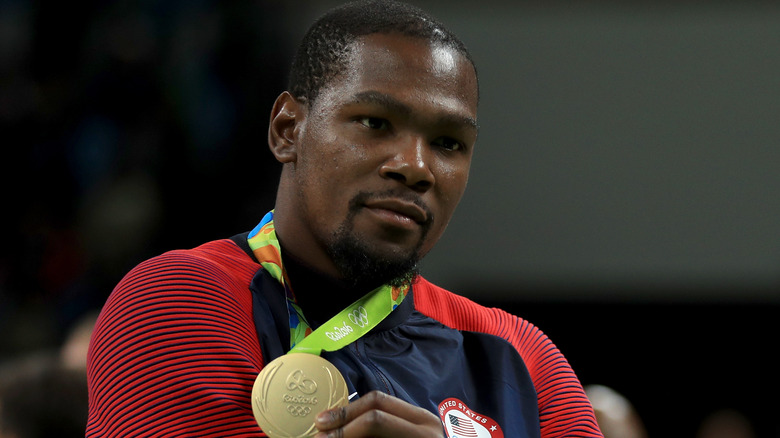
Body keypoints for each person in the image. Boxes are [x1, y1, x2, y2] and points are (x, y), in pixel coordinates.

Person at [86, 1, 603, 437]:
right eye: (375, 123)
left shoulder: (523, 361)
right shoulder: (177, 300)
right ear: (288, 130)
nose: (415, 167)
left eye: (448, 143)